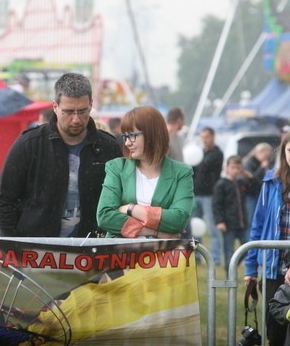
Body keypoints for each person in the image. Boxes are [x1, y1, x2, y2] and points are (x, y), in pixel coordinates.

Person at [0, 72, 122, 238]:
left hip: (91, 252)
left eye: (82, 111)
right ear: (55, 107)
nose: (76, 119)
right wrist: (12, 247)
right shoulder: (30, 144)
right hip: (36, 253)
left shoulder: (108, 147)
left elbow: (120, 199)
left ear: (91, 104)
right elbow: (4, 200)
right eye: (68, 112)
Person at [97, 106, 194, 238]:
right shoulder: (117, 168)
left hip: (161, 257)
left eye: (132, 136)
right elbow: (104, 216)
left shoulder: (182, 172)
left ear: (152, 134)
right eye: (125, 136)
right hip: (120, 256)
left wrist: (130, 208)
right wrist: (154, 232)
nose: (126, 143)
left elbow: (179, 220)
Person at [245, 133, 290, 346]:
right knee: (275, 332)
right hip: (273, 268)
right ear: (284, 152)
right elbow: (258, 225)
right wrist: (250, 268)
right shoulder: (271, 181)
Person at [212, 155, 260, 276]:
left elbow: (257, 189)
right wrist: (220, 221)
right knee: (229, 251)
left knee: (247, 248)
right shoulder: (221, 184)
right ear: (227, 168)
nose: (235, 170)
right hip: (228, 224)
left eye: (238, 168)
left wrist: (250, 176)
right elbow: (217, 205)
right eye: (233, 167)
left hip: (242, 223)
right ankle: (229, 277)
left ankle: (234, 266)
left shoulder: (241, 183)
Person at [193, 127, 224, 265]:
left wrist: (197, 159)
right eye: (202, 137)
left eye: (206, 137)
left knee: (213, 229)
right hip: (195, 194)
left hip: (210, 195)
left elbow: (204, 165)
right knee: (194, 227)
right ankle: (196, 257)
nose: (204, 140)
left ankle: (216, 258)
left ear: (213, 137)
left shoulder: (217, 153)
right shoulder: (199, 153)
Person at [244, 142, 274, 225]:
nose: (266, 159)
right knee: (251, 217)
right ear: (259, 153)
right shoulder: (250, 162)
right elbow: (252, 178)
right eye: (265, 156)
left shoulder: (263, 163)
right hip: (250, 193)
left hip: (259, 193)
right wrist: (262, 168)